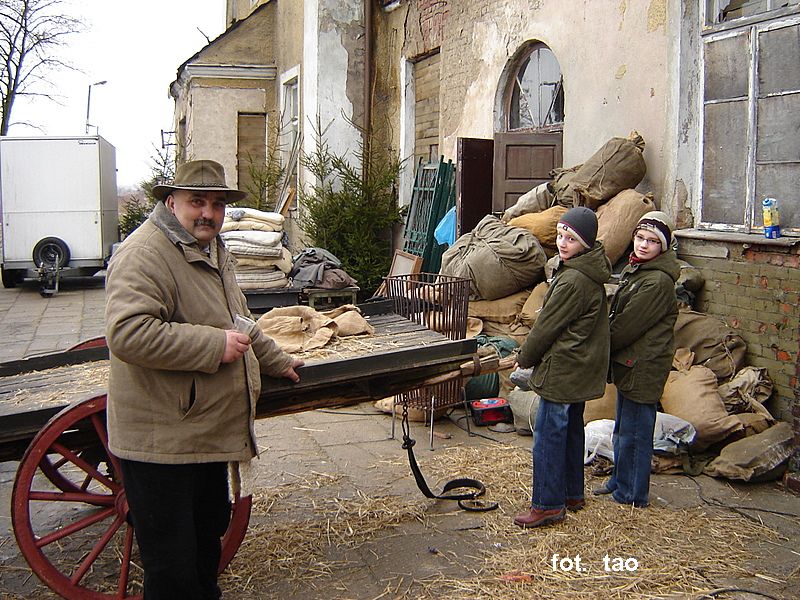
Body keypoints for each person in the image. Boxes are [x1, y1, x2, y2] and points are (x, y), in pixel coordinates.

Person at [105, 159, 304, 599]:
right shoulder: (145, 254)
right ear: (171, 202)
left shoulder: (211, 250)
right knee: (173, 571)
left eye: (216, 204)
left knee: (203, 548)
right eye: (197, 202)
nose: (208, 213)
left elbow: (238, 319)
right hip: (161, 443)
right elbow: (128, 333)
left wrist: (276, 359)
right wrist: (213, 346)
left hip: (201, 432)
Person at [513, 206, 611, 529]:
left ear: (586, 243)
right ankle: (572, 494)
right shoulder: (590, 272)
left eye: (571, 238)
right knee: (571, 431)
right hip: (580, 366)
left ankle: (547, 504)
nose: (563, 243)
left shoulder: (573, 280)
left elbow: (546, 327)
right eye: (560, 235)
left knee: (548, 436)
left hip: (565, 368)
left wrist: (525, 356)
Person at [594, 211, 680, 507]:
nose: (643, 245)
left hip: (644, 365)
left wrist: (598, 347)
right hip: (631, 363)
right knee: (623, 429)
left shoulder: (656, 282)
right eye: (640, 238)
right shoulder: (639, 271)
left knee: (636, 433)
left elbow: (627, 326)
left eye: (652, 241)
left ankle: (633, 494)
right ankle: (620, 480)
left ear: (663, 247)